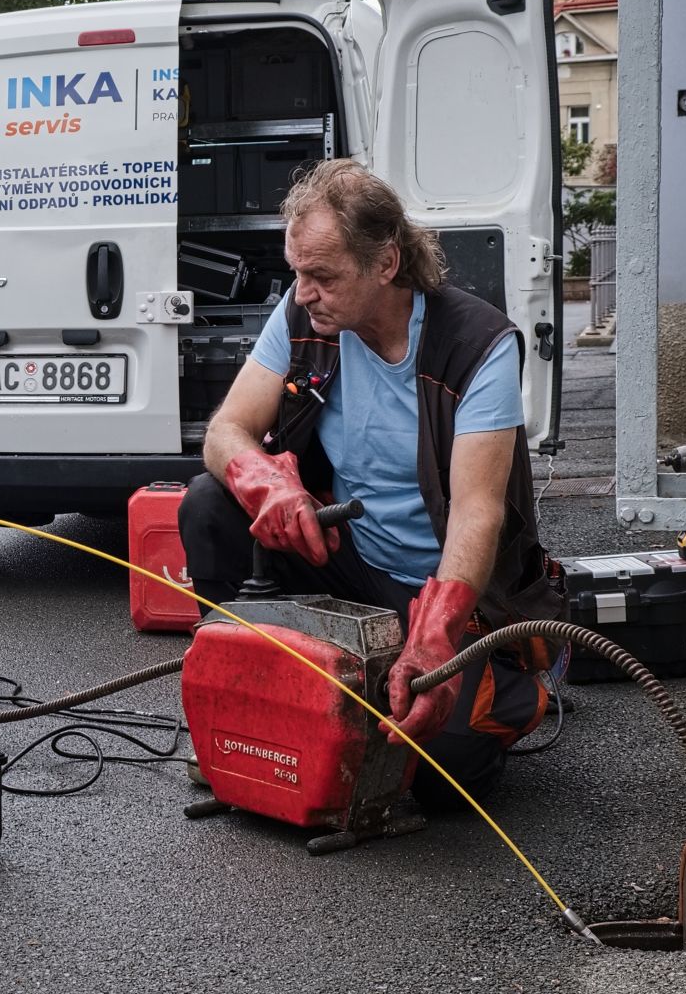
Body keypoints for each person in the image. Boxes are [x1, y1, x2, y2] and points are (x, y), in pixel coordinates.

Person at [178, 160, 561, 801]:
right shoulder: (303, 315)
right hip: (353, 563)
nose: (302, 293)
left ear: (385, 263)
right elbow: (225, 434)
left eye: (321, 275)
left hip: (452, 598)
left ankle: (508, 692)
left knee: (439, 774)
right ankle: (252, 694)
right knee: (210, 505)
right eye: (297, 272)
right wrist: (266, 482)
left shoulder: (478, 343)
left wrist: (435, 636)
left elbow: (476, 514)